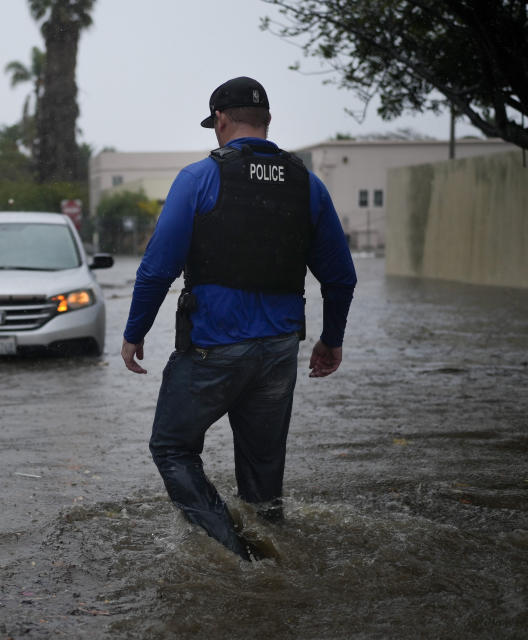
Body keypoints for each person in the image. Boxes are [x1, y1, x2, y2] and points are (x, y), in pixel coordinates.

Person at [121, 76, 356, 560]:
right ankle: (274, 549)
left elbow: (157, 267)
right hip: (278, 352)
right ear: (267, 121)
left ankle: (233, 552)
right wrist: (332, 339)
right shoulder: (307, 184)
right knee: (264, 473)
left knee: (171, 448)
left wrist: (134, 332)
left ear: (221, 121)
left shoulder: (198, 178)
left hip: (212, 351)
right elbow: (341, 277)